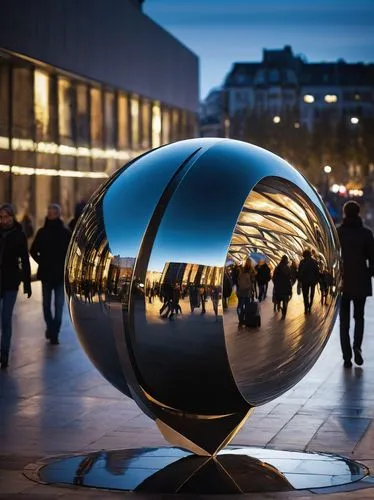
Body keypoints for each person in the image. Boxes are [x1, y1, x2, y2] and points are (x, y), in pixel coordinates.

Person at [337, 201, 374, 368]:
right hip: (361, 280)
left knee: (344, 322)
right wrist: (369, 273)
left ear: (345, 213)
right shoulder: (367, 233)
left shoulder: (338, 233)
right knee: (359, 317)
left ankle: (346, 356)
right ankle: (357, 347)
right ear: (359, 213)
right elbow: (372, 259)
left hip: (343, 282)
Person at [30, 204, 71, 344]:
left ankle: (54, 331)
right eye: (50, 213)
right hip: (47, 275)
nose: (51, 215)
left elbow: (69, 254)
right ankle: (51, 328)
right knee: (47, 305)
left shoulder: (65, 233)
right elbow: (33, 250)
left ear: (58, 215)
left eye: (54, 213)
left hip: (58, 276)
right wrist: (42, 261)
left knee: (59, 306)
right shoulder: (42, 232)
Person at [0, 204, 32, 369]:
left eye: (7, 217)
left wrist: (27, 284)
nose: (4, 220)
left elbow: (25, 261)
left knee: (6, 318)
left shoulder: (19, 235)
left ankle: (4, 352)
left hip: (11, 282)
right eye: (2, 217)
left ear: (12, 217)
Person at [297, 249, 320, 314]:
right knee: (311, 295)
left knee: (305, 295)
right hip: (312, 281)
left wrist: (299, 280)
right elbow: (317, 272)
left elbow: (299, 272)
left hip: (305, 281)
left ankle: (306, 308)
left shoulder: (302, 262)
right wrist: (316, 280)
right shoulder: (314, 262)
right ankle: (309, 307)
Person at [236, 258, 256, 325]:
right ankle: (246, 318)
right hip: (248, 291)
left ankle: (240, 319)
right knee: (247, 305)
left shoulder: (241, 270)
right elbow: (253, 280)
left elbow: (238, 280)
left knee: (240, 305)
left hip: (240, 291)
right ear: (250, 263)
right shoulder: (252, 270)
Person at [272, 255, 293, 320]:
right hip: (286, 287)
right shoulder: (288, 268)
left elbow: (274, 277)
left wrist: (275, 284)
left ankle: (279, 305)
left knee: (279, 298)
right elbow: (290, 277)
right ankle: (284, 315)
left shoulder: (277, 267)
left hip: (278, 287)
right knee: (285, 301)